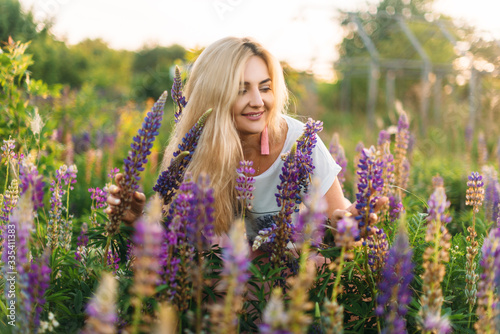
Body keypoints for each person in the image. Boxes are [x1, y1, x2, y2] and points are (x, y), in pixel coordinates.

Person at [105, 36, 382, 245]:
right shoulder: (192, 150)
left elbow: (338, 221)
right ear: (214, 96)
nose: (258, 102)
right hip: (224, 291)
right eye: (241, 90)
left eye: (265, 87)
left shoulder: (301, 142)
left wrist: (345, 223)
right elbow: (177, 240)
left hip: (295, 282)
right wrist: (137, 220)